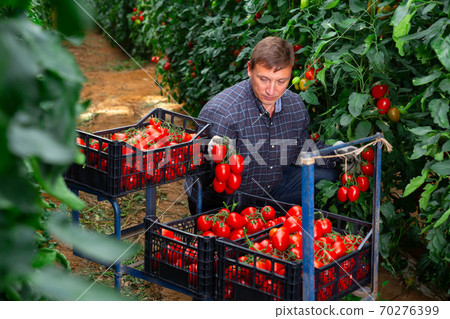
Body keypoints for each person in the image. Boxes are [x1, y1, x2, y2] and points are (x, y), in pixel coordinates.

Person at [185, 36, 340, 215]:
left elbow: (301, 150)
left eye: (281, 81)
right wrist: (213, 159)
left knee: (327, 178)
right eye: (264, 79)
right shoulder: (224, 112)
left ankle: (291, 226)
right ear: (250, 69)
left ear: (291, 76)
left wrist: (336, 152)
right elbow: (206, 184)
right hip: (230, 201)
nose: (271, 90)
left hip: (272, 192)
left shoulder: (295, 106)